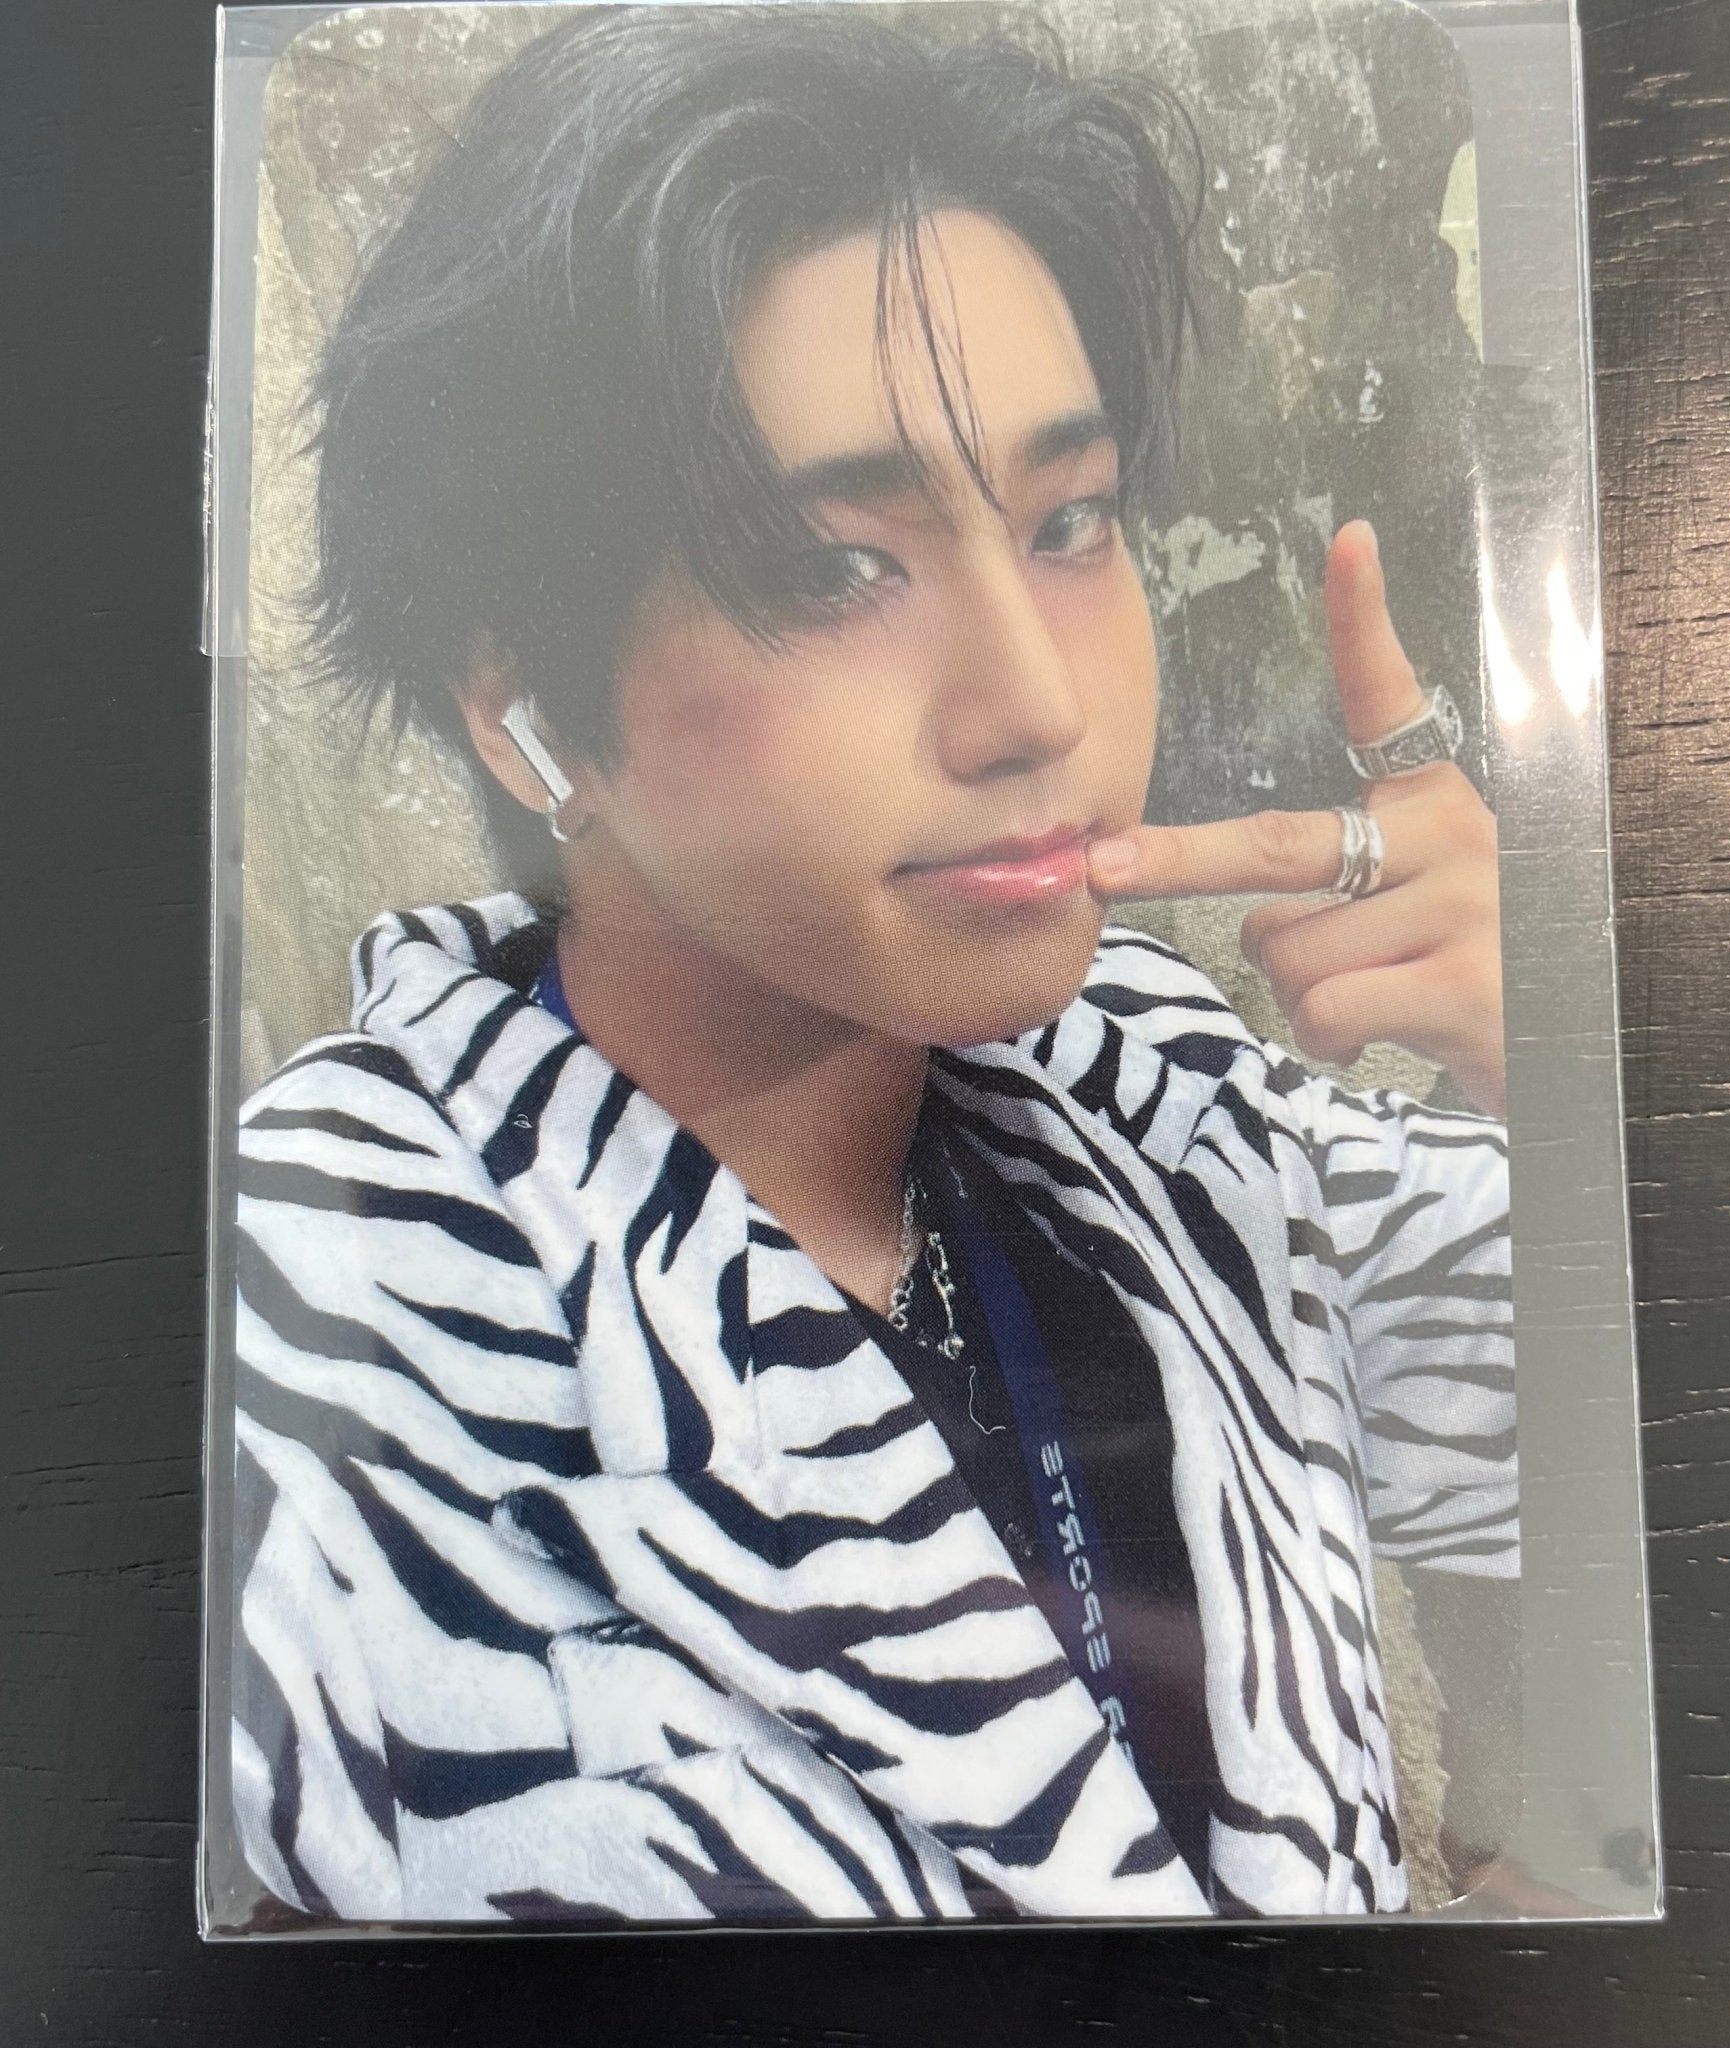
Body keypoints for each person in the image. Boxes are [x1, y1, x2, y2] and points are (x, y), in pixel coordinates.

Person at [227, 4, 1516, 1926]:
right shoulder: (316, 1318)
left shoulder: (1158, 1107)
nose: (1036, 702)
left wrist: (1572, 1050)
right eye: (837, 564)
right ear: (520, 707)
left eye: (1070, 521)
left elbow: (1692, 1440)